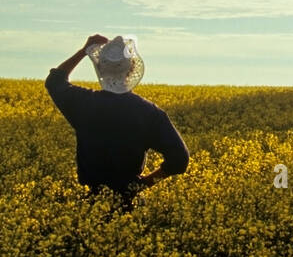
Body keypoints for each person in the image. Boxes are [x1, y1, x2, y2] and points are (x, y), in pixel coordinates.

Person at [45, 34, 188, 205]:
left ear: (99, 68)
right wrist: (141, 186)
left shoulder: (84, 103)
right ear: (131, 68)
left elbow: (54, 81)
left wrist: (84, 51)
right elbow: (180, 159)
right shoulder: (149, 113)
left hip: (89, 202)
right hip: (127, 202)